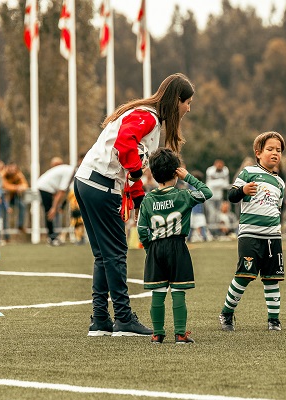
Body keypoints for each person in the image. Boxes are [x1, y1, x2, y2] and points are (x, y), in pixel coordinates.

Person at [74, 73, 194, 337]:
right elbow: (125, 144)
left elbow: (131, 160)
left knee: (103, 255)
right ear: (177, 100)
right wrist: (138, 174)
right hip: (101, 184)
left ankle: (101, 320)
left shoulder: (147, 116)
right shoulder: (149, 117)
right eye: (187, 102)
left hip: (87, 181)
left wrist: (140, 199)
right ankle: (124, 318)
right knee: (116, 253)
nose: (188, 108)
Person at [137, 148, 212, 344]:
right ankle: (180, 334)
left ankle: (157, 334)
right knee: (178, 292)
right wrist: (189, 177)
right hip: (177, 246)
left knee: (158, 292)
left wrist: (149, 248)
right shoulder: (184, 196)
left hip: (155, 248)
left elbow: (142, 229)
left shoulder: (147, 199)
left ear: (153, 174)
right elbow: (207, 193)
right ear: (176, 173)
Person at [218, 131, 286, 332]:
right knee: (244, 275)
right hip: (250, 234)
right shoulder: (248, 173)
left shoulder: (280, 183)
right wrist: (243, 191)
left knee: (272, 278)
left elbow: (278, 208)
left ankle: (274, 320)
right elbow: (231, 196)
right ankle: (227, 313)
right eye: (270, 149)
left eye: (279, 150)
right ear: (258, 153)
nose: (275, 153)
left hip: (273, 236)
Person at [37, 162, 77, 246]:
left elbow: (62, 191)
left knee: (51, 211)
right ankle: (52, 238)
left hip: (48, 187)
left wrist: (57, 206)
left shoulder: (69, 169)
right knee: (49, 212)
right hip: (45, 187)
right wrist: (54, 208)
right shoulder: (70, 172)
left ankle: (53, 236)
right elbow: (61, 191)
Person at [2, 162, 28, 235]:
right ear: (7, 168)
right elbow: (5, 185)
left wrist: (21, 187)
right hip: (4, 198)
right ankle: (6, 235)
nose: (13, 171)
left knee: (22, 205)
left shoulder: (18, 174)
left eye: (14, 169)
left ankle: (20, 225)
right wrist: (16, 188)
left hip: (13, 197)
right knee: (5, 215)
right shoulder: (3, 174)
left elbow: (25, 184)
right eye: (11, 169)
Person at [205, 159, 230, 228]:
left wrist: (218, 182)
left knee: (219, 214)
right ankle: (211, 229)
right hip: (210, 196)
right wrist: (221, 182)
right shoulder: (210, 170)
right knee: (212, 213)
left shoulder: (225, 170)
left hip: (219, 196)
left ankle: (217, 229)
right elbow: (211, 183)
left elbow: (226, 184)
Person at [188, 170, 212, 242]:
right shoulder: (199, 188)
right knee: (201, 225)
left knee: (192, 226)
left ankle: (189, 238)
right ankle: (204, 238)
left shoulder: (191, 188)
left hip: (193, 210)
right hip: (198, 211)